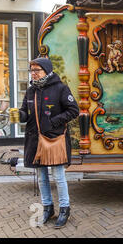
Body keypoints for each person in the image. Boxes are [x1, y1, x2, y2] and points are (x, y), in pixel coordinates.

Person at [14, 57, 79, 228]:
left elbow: (73, 110)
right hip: (36, 140)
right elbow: (25, 112)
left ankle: (64, 209)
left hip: (54, 139)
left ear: (47, 71)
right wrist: (19, 116)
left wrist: (53, 122)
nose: (33, 73)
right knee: (41, 177)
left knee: (58, 176)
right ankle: (47, 208)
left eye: (37, 70)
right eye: (32, 70)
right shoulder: (30, 91)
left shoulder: (61, 88)